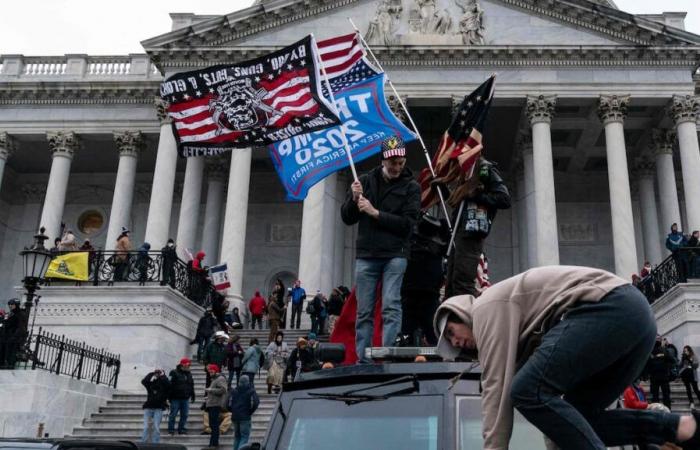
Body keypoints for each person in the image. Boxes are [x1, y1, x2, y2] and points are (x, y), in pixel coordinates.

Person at [433, 265, 700, 449]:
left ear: (461, 314)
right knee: (579, 420)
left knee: (524, 390)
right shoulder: (519, 335)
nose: (456, 342)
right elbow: (555, 417)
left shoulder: (485, 308)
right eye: (453, 344)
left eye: (452, 333)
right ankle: (677, 427)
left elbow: (497, 392)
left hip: (612, 308)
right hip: (637, 323)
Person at [340, 136, 421, 363]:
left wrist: (376, 213)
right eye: (392, 162)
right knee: (364, 312)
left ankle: (388, 357)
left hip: (396, 254)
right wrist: (354, 198)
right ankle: (363, 361)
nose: (397, 167)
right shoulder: (364, 181)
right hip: (367, 254)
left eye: (400, 162)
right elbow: (347, 217)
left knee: (391, 306)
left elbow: (409, 225)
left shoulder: (411, 187)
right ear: (383, 160)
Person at [444, 157, 511, 298]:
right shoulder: (464, 172)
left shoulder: (484, 169)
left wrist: (477, 196)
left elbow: (504, 199)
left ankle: (465, 318)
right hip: (458, 233)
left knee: (463, 283)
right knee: (451, 284)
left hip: (472, 234)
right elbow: (457, 201)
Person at [400, 213, 448, 346]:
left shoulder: (436, 246)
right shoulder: (435, 246)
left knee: (430, 334)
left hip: (425, 295)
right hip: (414, 294)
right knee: (414, 333)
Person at [228, 374, 260, 450]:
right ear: (247, 382)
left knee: (237, 437)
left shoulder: (234, 390)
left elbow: (227, 403)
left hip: (235, 416)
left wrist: (232, 410)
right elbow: (256, 403)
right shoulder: (251, 391)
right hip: (245, 417)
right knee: (244, 437)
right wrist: (250, 412)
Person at [141, 368, 170, 444]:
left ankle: (155, 444)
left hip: (158, 408)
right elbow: (144, 381)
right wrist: (152, 373)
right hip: (149, 407)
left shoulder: (164, 385)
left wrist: (163, 375)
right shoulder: (150, 385)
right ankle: (143, 443)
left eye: (158, 373)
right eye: (156, 373)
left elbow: (168, 385)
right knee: (146, 427)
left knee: (156, 427)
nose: (157, 374)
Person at [168, 357, 195, 436]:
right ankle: (171, 430)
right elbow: (170, 385)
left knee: (185, 415)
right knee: (173, 414)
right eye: (188, 364)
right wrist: (168, 397)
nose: (189, 365)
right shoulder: (174, 372)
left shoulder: (189, 374)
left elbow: (191, 385)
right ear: (182, 364)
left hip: (185, 398)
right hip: (175, 398)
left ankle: (181, 429)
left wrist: (193, 394)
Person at [204, 364, 227, 450]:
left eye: (212, 370)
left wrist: (211, 390)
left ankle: (214, 443)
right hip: (211, 404)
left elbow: (223, 390)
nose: (210, 372)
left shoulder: (220, 378)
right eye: (209, 371)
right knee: (212, 424)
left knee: (214, 425)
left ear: (216, 370)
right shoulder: (214, 379)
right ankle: (213, 442)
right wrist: (208, 396)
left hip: (216, 405)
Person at [648, 337, 674, 409]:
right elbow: (672, 360)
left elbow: (647, 364)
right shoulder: (664, 350)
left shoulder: (650, 351)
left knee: (655, 397)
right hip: (664, 377)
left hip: (654, 377)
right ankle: (668, 411)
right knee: (666, 396)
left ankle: (655, 413)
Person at [0, 299, 26, 369]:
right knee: (2, 348)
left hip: (13, 337)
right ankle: (1, 363)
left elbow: (21, 326)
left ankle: (10, 364)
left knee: (11, 350)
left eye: (12, 304)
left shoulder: (20, 314)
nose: (10, 306)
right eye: (9, 304)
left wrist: (15, 336)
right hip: (5, 336)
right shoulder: (10, 314)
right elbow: (5, 324)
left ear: (16, 305)